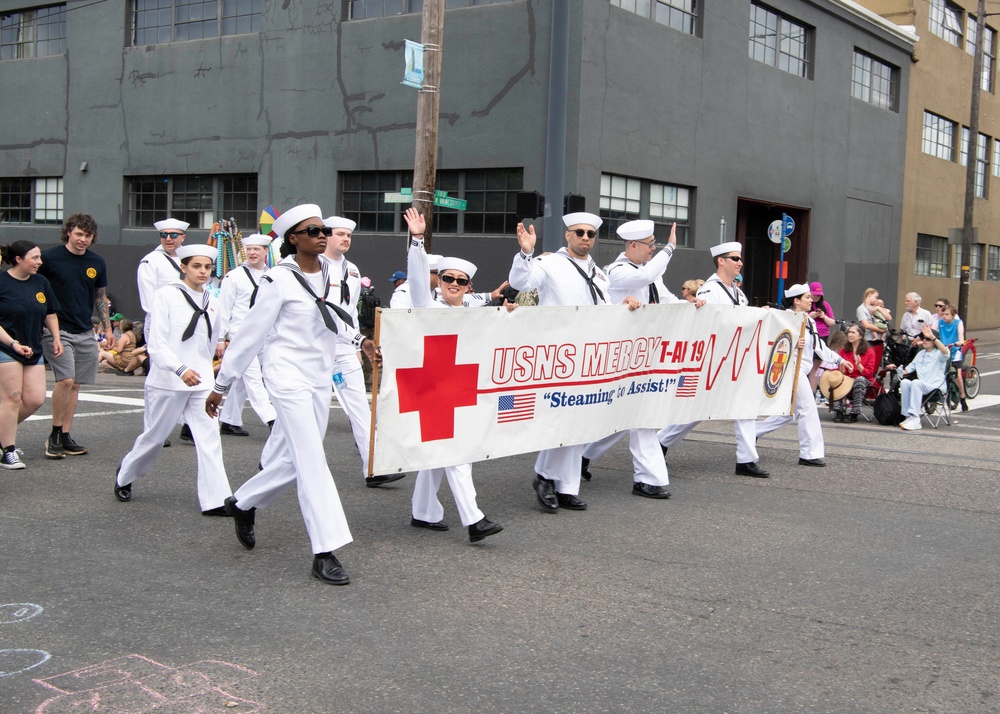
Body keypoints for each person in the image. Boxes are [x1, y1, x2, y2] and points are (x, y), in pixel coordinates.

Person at [207, 204, 381, 586]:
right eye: (313, 230)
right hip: (286, 376)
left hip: (319, 375)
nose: (322, 235)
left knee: (295, 457)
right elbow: (250, 335)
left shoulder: (331, 273)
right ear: (293, 239)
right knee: (312, 459)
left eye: (324, 230)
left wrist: (361, 341)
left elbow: (333, 315)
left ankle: (243, 502)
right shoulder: (277, 280)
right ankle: (325, 550)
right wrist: (221, 386)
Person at [509, 211, 640, 511]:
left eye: (590, 234)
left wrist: (624, 306)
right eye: (579, 232)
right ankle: (544, 475)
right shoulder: (550, 263)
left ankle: (567, 486)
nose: (585, 238)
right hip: (560, 355)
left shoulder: (599, 273)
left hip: (591, 356)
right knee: (561, 415)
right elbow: (522, 281)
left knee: (580, 419)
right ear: (567, 235)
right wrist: (526, 252)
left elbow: (603, 308)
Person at [400, 206, 504, 541]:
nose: (454, 285)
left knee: (440, 454)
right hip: (430, 390)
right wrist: (417, 241)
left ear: (468, 286)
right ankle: (474, 520)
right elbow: (417, 279)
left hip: (459, 390)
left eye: (461, 281)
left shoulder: (474, 310)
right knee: (458, 453)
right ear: (439, 281)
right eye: (448, 279)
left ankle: (424, 512)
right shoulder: (426, 305)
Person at [113, 244, 233, 513]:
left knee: (210, 439)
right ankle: (126, 474)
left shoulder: (213, 302)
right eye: (196, 266)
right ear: (183, 268)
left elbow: (215, 340)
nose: (203, 272)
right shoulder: (165, 296)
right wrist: (180, 369)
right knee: (154, 438)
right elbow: (156, 345)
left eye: (207, 267)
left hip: (201, 382)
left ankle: (216, 500)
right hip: (168, 381)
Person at [656, 241, 770, 478]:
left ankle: (746, 460)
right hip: (714, 360)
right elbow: (712, 323)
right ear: (721, 261)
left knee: (745, 406)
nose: (740, 263)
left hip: (736, 359)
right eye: (735, 258)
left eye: (740, 259)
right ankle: (659, 442)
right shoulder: (710, 289)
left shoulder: (738, 292)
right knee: (697, 409)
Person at [580, 219, 676, 500]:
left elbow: (666, 299)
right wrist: (670, 248)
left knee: (625, 416)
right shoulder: (619, 272)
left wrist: (694, 305)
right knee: (642, 415)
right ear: (633, 245)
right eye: (650, 245)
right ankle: (648, 479)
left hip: (645, 353)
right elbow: (645, 279)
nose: (653, 249)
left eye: (655, 245)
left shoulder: (648, 271)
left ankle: (582, 455)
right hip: (620, 354)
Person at [323, 214, 404, 488]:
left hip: (346, 345)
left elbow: (350, 313)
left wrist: (355, 344)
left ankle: (374, 467)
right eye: (339, 234)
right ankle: (274, 461)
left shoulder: (353, 270)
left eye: (348, 235)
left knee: (359, 407)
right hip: (317, 348)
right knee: (310, 411)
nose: (345, 239)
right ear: (325, 235)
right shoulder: (314, 267)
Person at [37, 213, 111, 460]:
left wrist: (107, 327)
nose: (83, 239)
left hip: (84, 330)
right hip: (57, 329)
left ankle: (66, 435)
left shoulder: (97, 262)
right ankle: (55, 434)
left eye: (88, 235)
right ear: (69, 232)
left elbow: (100, 297)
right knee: (66, 380)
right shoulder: (49, 259)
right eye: (79, 234)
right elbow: (35, 288)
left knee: (76, 384)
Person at [755, 285, 849, 467]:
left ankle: (752, 432)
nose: (811, 300)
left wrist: (839, 360)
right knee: (808, 408)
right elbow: (771, 341)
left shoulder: (810, 321)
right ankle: (809, 453)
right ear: (796, 300)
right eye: (807, 297)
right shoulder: (783, 318)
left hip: (801, 371)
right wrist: (792, 341)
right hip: (790, 370)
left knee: (791, 413)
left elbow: (819, 348)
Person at [0, 241, 62, 469]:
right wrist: (14, 343)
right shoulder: (2, 282)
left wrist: (56, 337)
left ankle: (2, 435)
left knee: (35, 398)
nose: (40, 262)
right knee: (13, 398)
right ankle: (8, 450)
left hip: (33, 347)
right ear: (18, 259)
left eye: (40, 257)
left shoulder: (41, 282)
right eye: (35, 258)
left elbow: (50, 313)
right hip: (6, 346)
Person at [215, 233, 277, 436]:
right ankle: (272, 420)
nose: (252, 252)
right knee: (253, 379)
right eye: (249, 249)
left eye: (256, 249)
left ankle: (229, 420)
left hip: (266, 335)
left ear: (265, 251)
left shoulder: (275, 275)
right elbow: (223, 310)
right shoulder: (234, 276)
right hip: (241, 336)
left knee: (241, 380)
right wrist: (220, 338)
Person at [138, 218, 191, 446]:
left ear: (183, 237)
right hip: (161, 324)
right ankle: (152, 428)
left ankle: (188, 424)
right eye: (164, 235)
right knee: (159, 374)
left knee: (189, 372)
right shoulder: (151, 261)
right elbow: (149, 301)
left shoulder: (188, 259)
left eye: (173, 235)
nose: (168, 239)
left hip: (187, 325)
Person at [887, 324, 950, 431]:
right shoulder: (920, 354)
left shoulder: (939, 354)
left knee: (916, 382)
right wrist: (895, 368)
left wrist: (933, 337)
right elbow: (907, 370)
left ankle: (916, 418)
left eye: (928, 339)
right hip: (921, 387)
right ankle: (908, 416)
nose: (924, 340)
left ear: (934, 341)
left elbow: (945, 352)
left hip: (935, 387)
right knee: (905, 382)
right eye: (923, 338)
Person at [832, 324, 877, 422]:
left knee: (859, 380)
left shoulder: (870, 352)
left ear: (860, 336)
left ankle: (854, 412)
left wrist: (859, 364)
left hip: (863, 380)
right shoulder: (843, 350)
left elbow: (868, 374)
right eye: (849, 332)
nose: (850, 335)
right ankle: (838, 410)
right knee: (834, 377)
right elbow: (842, 373)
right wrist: (842, 365)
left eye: (853, 332)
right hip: (847, 379)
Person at [936, 304, 968, 411]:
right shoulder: (940, 322)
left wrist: (958, 343)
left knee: (957, 375)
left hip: (954, 351)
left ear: (953, 315)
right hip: (943, 351)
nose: (944, 316)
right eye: (943, 314)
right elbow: (933, 332)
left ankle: (962, 397)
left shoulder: (958, 323)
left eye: (947, 314)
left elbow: (961, 337)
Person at [856, 288, 888, 370]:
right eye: (875, 297)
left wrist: (879, 308)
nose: (876, 299)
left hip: (879, 340)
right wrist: (881, 330)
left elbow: (888, 317)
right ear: (869, 294)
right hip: (869, 341)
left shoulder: (875, 307)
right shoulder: (861, 309)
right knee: (869, 366)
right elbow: (866, 325)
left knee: (876, 365)